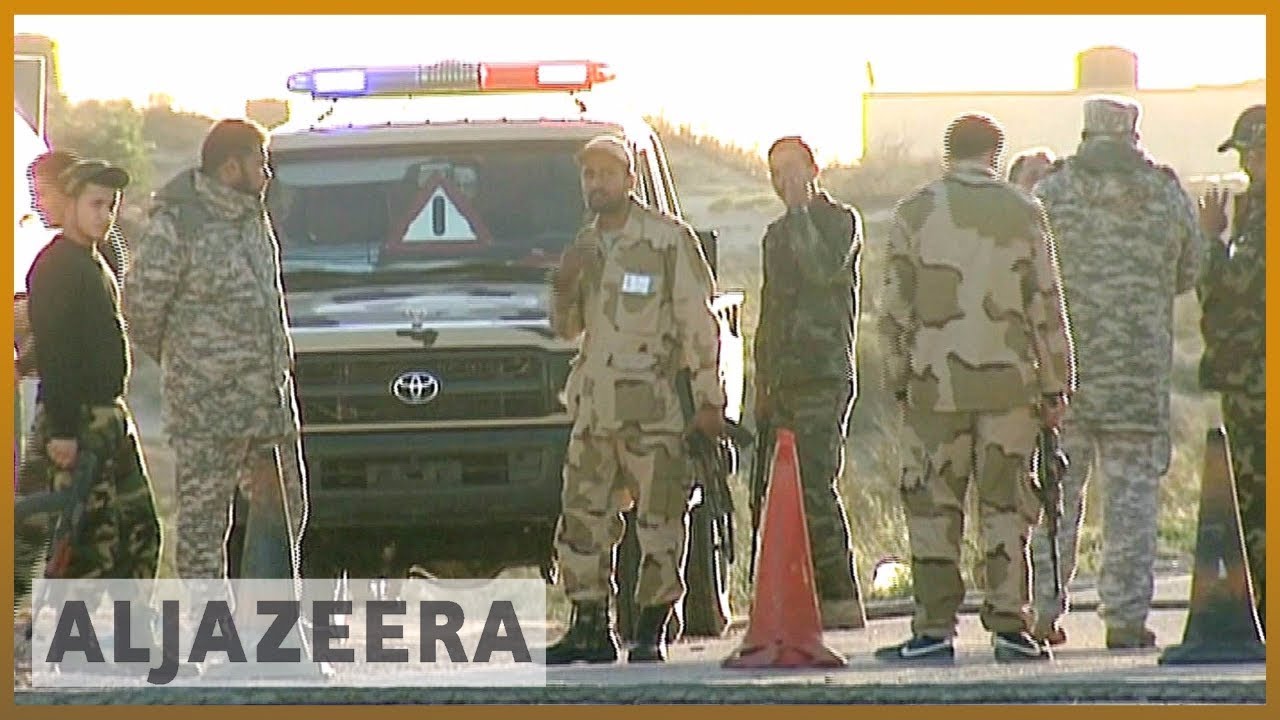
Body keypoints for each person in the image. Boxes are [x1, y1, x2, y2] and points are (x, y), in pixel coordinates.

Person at [874, 113, 1076, 663]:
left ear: (947, 151)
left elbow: (893, 307)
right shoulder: (1023, 210)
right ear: (995, 152)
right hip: (1010, 386)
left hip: (934, 387)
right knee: (1006, 505)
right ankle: (1010, 624)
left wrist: (898, 378)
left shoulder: (915, 211)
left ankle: (933, 628)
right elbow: (1045, 302)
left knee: (934, 506)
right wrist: (1057, 385)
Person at [1029, 96, 1203, 649]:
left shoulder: (1051, 194)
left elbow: (1026, 274)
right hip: (1137, 378)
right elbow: (1189, 271)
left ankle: (1043, 611)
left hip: (1066, 376)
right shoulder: (1164, 194)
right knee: (1131, 502)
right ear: (1132, 133)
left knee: (1056, 498)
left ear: (1085, 134)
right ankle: (1126, 617)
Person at [545, 134, 726, 664]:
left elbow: (700, 323)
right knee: (582, 520)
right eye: (588, 176)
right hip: (596, 411)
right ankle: (588, 627)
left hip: (654, 412)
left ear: (630, 179)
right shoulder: (584, 246)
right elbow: (566, 329)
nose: (596, 184)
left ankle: (651, 625)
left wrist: (709, 397)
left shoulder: (668, 241)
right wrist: (564, 283)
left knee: (660, 521)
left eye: (606, 174)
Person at [122, 118, 308, 586]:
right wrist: (194, 363)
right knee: (204, 533)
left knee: (284, 516)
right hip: (207, 411)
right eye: (258, 162)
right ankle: (215, 643)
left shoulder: (253, 218)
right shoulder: (179, 225)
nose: (266, 173)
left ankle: (272, 638)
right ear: (230, 168)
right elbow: (141, 309)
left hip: (266, 408)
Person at [22, 157, 163, 597]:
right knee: (87, 540)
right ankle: (79, 646)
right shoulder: (56, 266)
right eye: (96, 204)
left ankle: (130, 639)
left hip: (108, 419)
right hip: (77, 420)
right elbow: (58, 352)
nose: (105, 216)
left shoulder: (94, 261)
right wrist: (63, 430)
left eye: (111, 206)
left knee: (139, 530)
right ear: (72, 205)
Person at [753, 135, 867, 629]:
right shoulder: (775, 235)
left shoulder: (839, 223)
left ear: (814, 168)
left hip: (822, 375)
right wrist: (760, 381)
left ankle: (840, 597)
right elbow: (771, 310)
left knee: (816, 487)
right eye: (777, 174)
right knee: (781, 494)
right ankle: (798, 598)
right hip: (784, 380)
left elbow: (822, 271)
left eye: (793, 169)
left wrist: (801, 211)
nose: (785, 182)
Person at [1196, 104, 1265, 632]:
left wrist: (1210, 240)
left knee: (1258, 500)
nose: (1246, 165)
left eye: (1253, 153)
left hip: (1258, 382)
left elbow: (1229, 291)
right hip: (1250, 375)